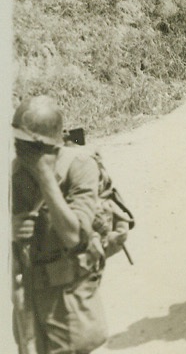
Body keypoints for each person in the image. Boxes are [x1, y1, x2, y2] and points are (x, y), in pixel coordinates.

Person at [12, 97, 108, 354]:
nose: (19, 150)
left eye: (27, 145)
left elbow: (75, 237)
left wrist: (44, 176)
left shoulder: (80, 166)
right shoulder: (13, 172)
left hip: (69, 303)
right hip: (28, 303)